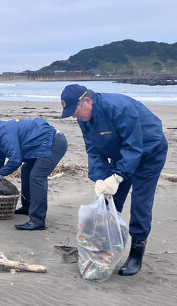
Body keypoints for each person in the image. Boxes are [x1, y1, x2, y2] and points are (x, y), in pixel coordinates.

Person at [60, 84, 168, 276]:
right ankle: (106, 246)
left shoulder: (119, 108)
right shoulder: (85, 118)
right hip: (122, 152)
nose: (75, 117)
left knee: (140, 202)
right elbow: (93, 149)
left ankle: (137, 251)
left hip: (149, 152)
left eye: (75, 112)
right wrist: (100, 179)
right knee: (109, 200)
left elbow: (134, 146)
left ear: (87, 101)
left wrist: (118, 176)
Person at [0, 119, 68, 230]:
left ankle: (38, 221)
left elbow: (15, 160)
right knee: (26, 170)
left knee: (37, 176)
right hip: (40, 145)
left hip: (54, 143)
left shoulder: (4, 134)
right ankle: (27, 207)